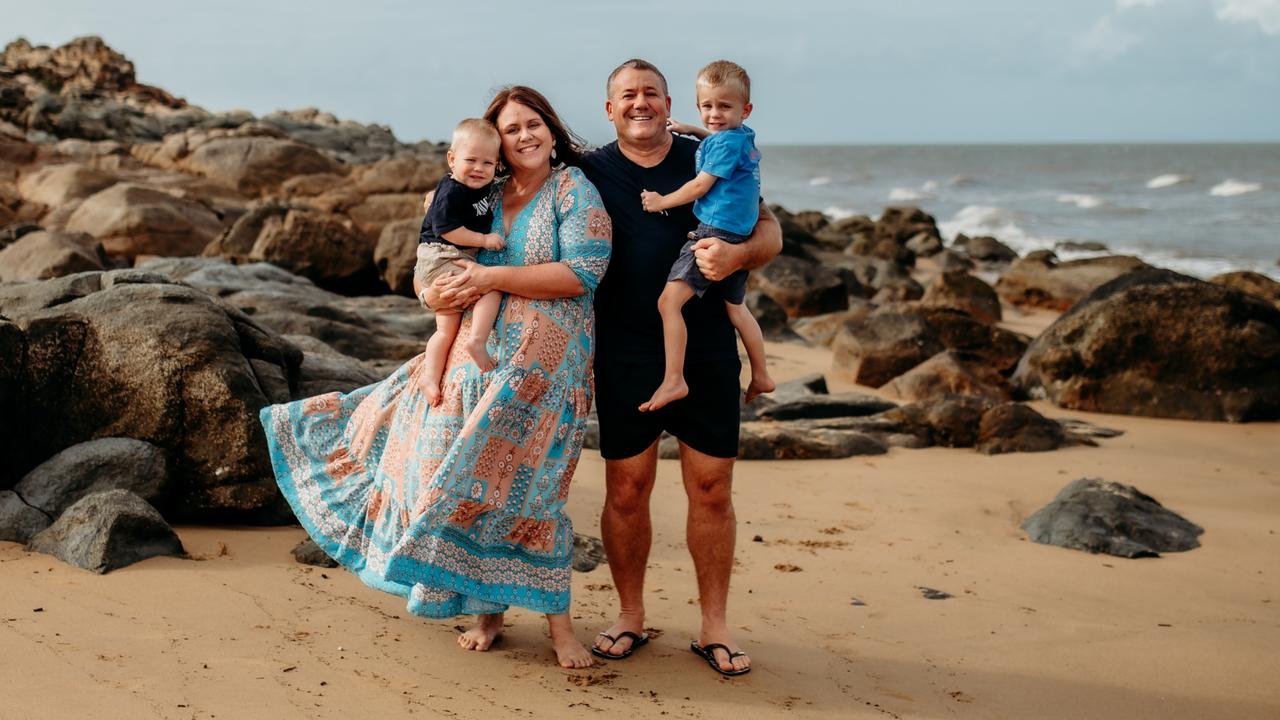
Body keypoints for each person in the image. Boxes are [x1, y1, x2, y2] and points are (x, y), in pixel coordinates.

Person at [425, 59, 782, 678]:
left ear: (670, 104)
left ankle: (715, 629)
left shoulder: (706, 152)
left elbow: (770, 228)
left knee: (711, 489)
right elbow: (497, 204)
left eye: (650, 94)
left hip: (708, 345)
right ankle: (630, 616)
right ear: (609, 108)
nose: (639, 103)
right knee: (626, 489)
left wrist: (741, 252)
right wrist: (439, 261)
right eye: (626, 96)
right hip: (621, 350)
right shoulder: (586, 172)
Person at [260, 85, 612, 669]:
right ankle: (488, 614)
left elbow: (584, 273)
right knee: (463, 484)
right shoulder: (484, 193)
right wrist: (438, 289)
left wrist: (492, 280)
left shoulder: (575, 190)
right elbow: (432, 265)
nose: (524, 136)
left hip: (548, 370)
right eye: (511, 131)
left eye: (533, 124)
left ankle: (561, 629)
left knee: (535, 493)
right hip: (474, 365)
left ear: (551, 128)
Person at [637, 60, 774, 413]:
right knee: (737, 309)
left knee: (668, 303)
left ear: (745, 109)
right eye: (707, 106)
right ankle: (761, 373)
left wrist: (660, 201)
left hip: (715, 232)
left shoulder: (725, 144)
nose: (714, 114)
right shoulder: (740, 137)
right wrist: (690, 129)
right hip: (738, 233)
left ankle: (674, 379)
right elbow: (715, 138)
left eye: (724, 107)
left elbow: (701, 184)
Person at [415, 118, 506, 406]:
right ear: (452, 159)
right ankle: (477, 340)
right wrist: (484, 241)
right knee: (491, 285)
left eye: (488, 163)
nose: (479, 169)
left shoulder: (482, 188)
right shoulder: (451, 191)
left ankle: (430, 378)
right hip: (442, 255)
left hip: (445, 257)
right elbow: (447, 229)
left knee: (445, 329)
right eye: (471, 160)